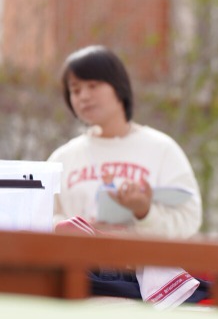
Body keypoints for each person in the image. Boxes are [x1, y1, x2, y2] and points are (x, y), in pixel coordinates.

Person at [48, 45, 202, 239]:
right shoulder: (63, 158)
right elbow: (40, 218)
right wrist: (73, 228)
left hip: (145, 266)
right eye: (76, 90)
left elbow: (189, 220)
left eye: (93, 86)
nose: (84, 96)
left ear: (118, 87)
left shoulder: (162, 149)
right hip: (77, 267)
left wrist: (144, 212)